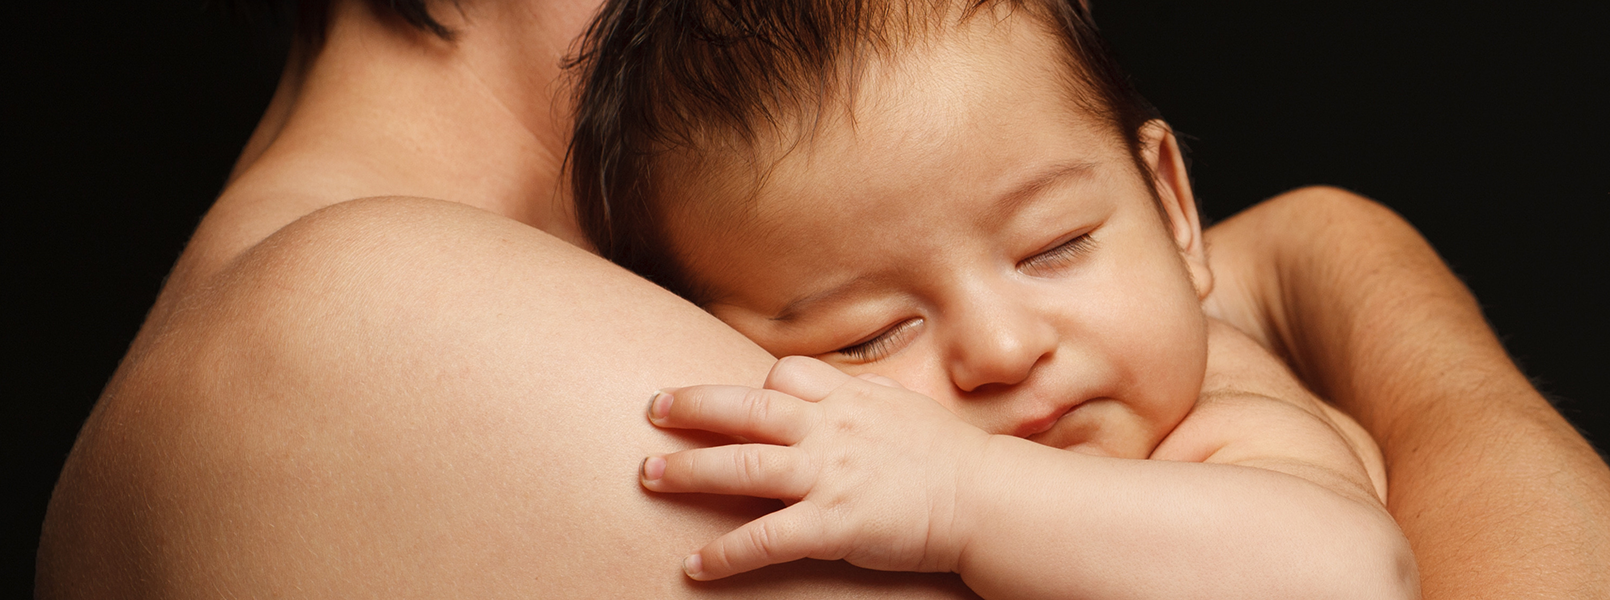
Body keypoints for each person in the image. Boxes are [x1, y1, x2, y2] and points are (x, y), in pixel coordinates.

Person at [36, 0, 1610, 597]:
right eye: (864, 337)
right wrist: (1347, 278)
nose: (986, 346)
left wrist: (1328, 253)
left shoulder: (344, 307)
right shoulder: (379, 340)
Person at [587, 3, 1412, 594]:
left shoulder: (1226, 422)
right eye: (871, 335)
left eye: (1054, 247)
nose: (1002, 351)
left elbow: (1351, 574)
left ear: (1172, 210)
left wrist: (964, 494)